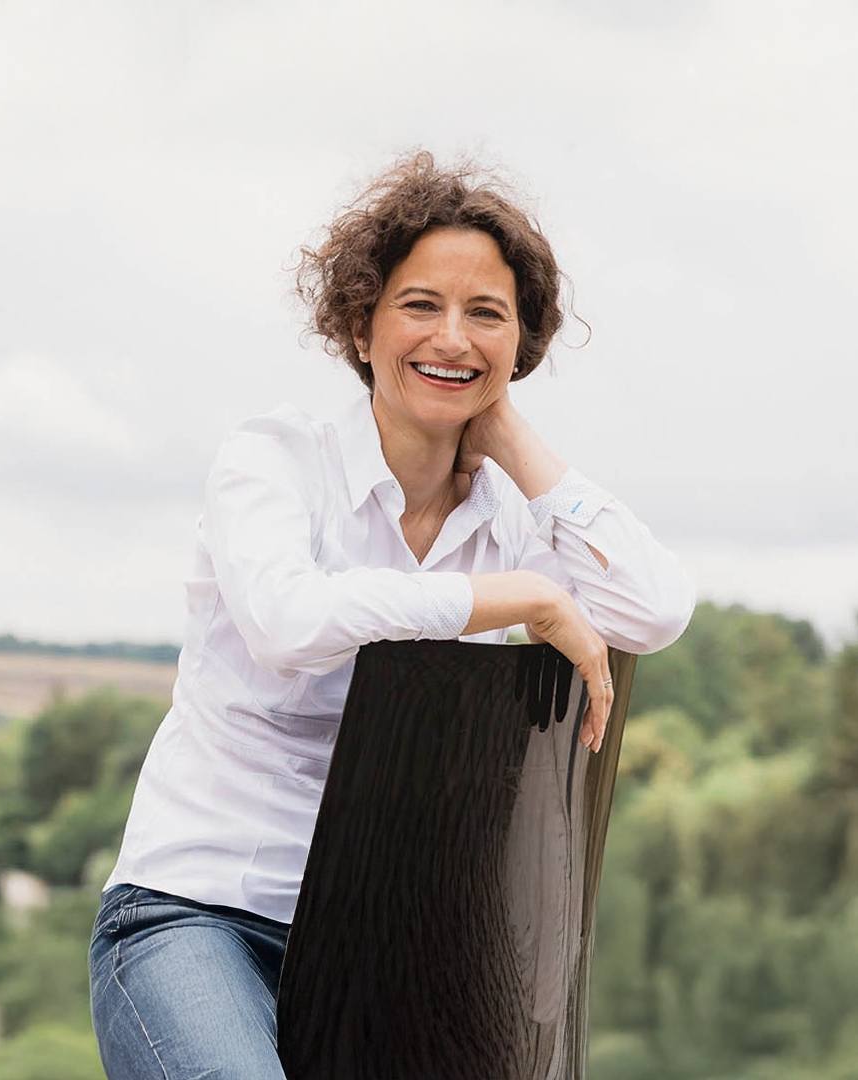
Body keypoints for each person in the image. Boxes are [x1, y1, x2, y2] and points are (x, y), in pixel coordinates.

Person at [88, 152, 695, 1080]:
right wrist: (512, 599)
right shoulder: (275, 461)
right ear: (360, 326)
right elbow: (289, 621)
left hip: (389, 946)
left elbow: (652, 609)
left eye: (485, 315)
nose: (450, 337)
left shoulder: (507, 518)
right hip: (198, 910)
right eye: (419, 305)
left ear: (517, 346)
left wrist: (514, 442)